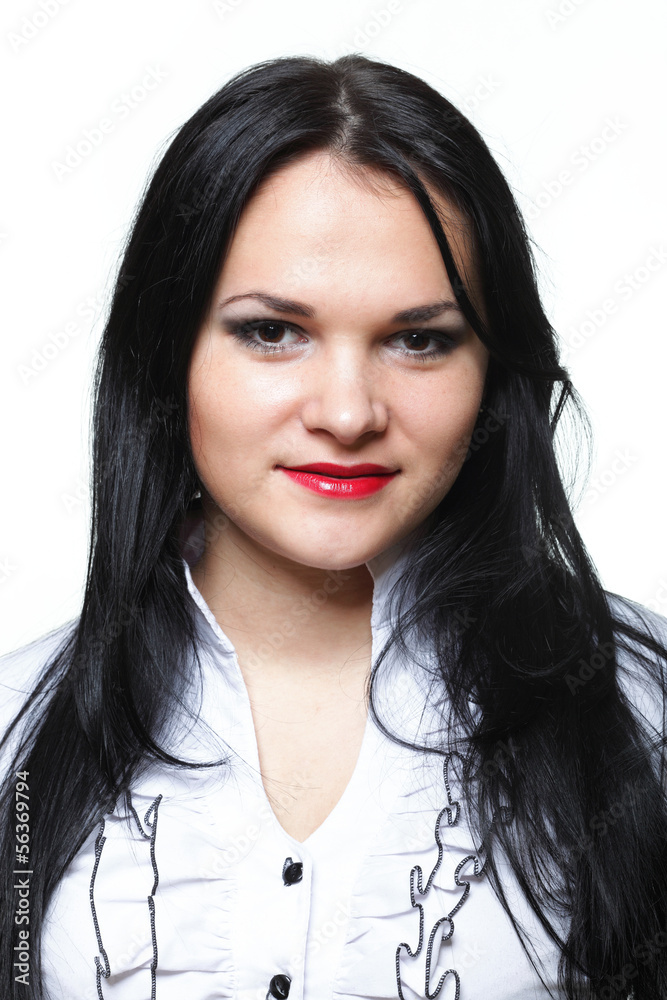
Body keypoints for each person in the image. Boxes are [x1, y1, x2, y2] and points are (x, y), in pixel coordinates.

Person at [1, 52, 666, 1000]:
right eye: (272, 332)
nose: (348, 414)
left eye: (418, 340)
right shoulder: (17, 732)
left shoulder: (642, 715)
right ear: (166, 356)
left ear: (492, 372)